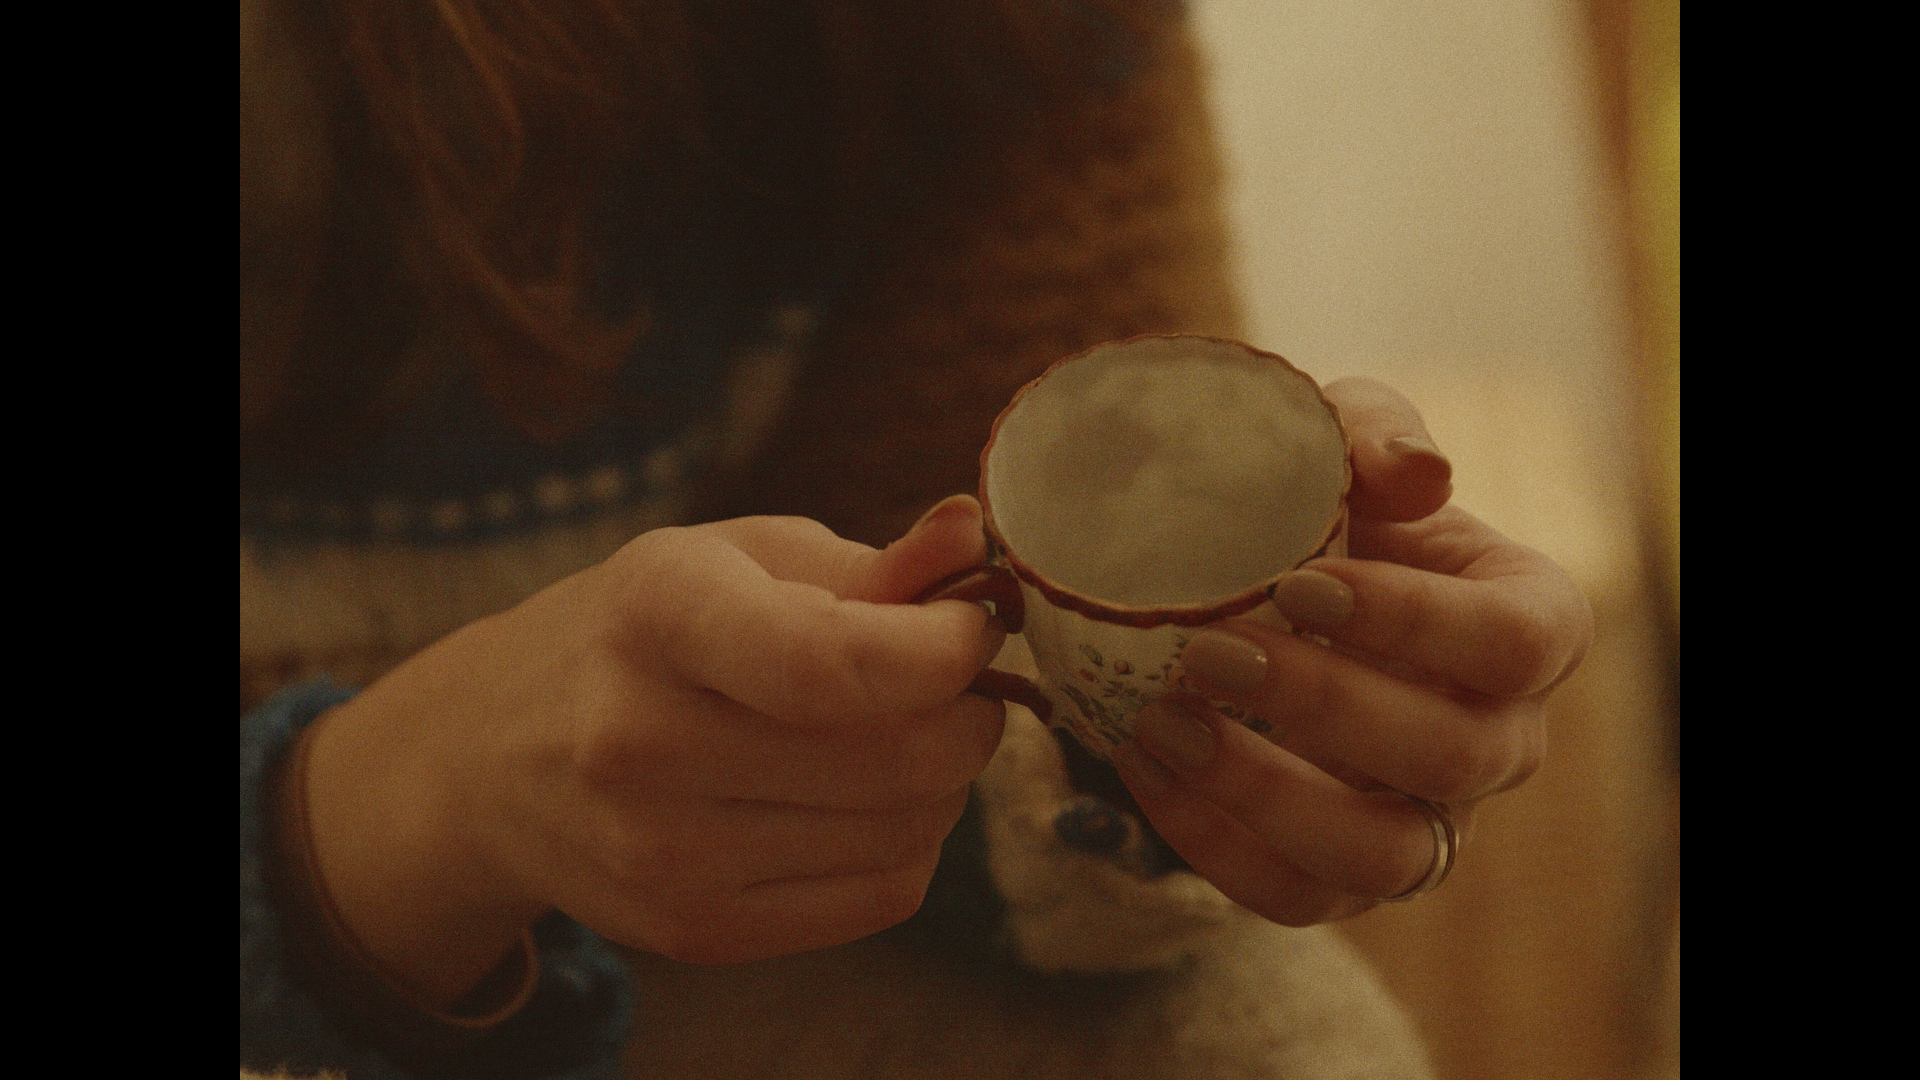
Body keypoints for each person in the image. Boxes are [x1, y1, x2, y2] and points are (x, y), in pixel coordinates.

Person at [240, 1, 1594, 1077]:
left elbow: (1000, 708)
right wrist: (393, 808)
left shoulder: (988, 37)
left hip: (732, 936)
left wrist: (1190, 759)